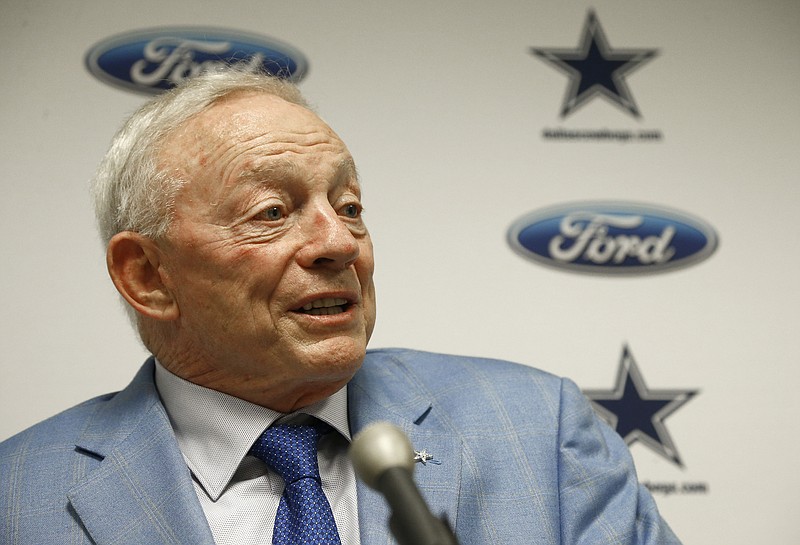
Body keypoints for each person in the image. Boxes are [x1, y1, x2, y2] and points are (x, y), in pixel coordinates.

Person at [0, 70, 681, 545]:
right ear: (146, 275)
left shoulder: (540, 434)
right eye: (273, 211)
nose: (338, 241)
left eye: (349, 206)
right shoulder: (17, 497)